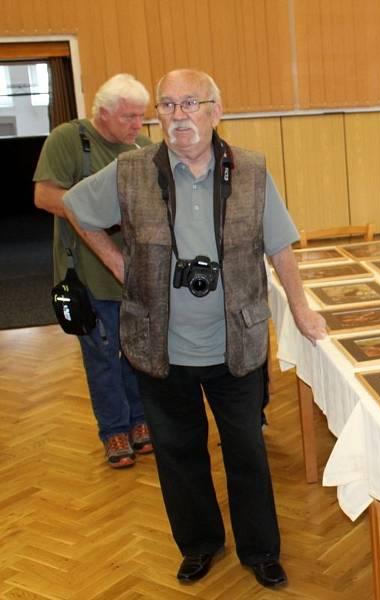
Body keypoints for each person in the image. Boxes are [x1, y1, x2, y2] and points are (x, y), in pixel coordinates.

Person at [61, 69, 326, 588]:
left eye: (190, 103)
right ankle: (200, 543)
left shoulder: (250, 170)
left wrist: (300, 307)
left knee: (247, 451)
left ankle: (261, 550)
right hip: (158, 346)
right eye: (167, 105)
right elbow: (75, 209)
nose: (178, 115)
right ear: (157, 116)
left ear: (215, 110)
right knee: (180, 455)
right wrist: (119, 264)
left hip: (237, 342)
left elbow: (279, 246)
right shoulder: (130, 171)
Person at [32, 73, 152, 469]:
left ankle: (139, 421)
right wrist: (99, 210)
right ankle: (114, 429)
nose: (138, 125)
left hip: (135, 273)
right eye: (129, 117)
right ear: (103, 113)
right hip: (87, 272)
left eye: (140, 116)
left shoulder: (143, 146)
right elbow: (45, 196)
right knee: (102, 352)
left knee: (136, 352)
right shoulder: (68, 140)